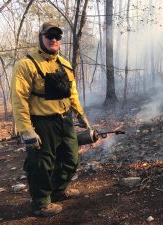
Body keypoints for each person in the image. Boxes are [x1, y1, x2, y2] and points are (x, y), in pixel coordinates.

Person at [10, 21, 98, 217]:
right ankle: (41, 203)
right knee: (42, 163)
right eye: (50, 35)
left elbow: (72, 93)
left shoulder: (65, 64)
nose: (54, 39)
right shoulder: (26, 65)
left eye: (58, 36)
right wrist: (26, 129)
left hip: (65, 120)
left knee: (71, 158)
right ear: (41, 37)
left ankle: (58, 191)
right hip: (41, 122)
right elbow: (19, 99)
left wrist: (80, 114)